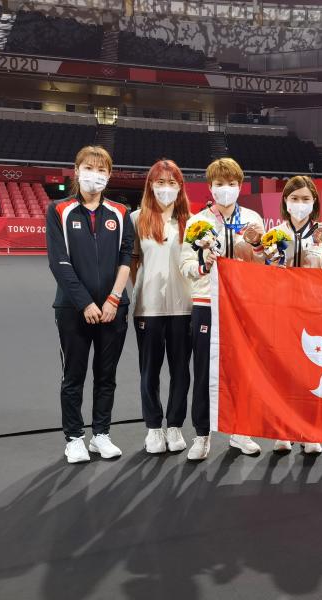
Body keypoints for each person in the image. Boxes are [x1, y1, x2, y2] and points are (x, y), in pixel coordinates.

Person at [46, 146, 133, 464]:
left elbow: (126, 258)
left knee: (106, 375)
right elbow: (59, 262)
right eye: (89, 167)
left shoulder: (121, 213)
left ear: (109, 175)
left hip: (114, 309)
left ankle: (101, 434)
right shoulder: (59, 210)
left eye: (101, 169)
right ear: (76, 170)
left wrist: (113, 299)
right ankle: (73, 438)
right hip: (72, 309)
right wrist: (84, 302)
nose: (95, 174)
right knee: (74, 375)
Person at [180, 158, 266, 460]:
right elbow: (185, 265)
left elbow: (264, 264)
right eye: (219, 183)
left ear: (240, 186)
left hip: (243, 306)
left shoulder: (253, 219)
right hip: (207, 303)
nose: (225, 189)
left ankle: (240, 431)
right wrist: (203, 265)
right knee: (203, 369)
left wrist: (256, 247)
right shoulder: (197, 222)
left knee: (242, 370)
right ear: (210, 186)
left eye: (231, 183)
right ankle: (201, 435)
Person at [257, 175, 322, 455]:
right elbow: (264, 275)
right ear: (285, 202)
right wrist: (268, 257)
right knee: (283, 372)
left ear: (314, 202)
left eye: (306, 199)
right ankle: (283, 430)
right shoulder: (275, 233)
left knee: (311, 373)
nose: (300, 204)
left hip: (314, 311)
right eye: (294, 199)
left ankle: (309, 431)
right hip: (282, 311)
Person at [130, 160, 193, 455]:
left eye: (172, 183)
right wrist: (143, 286)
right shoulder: (136, 219)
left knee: (181, 370)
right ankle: (154, 428)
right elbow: (131, 263)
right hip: (149, 308)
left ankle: (175, 425)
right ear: (150, 186)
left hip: (185, 308)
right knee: (149, 371)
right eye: (160, 182)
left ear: (180, 187)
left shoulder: (192, 223)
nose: (165, 189)